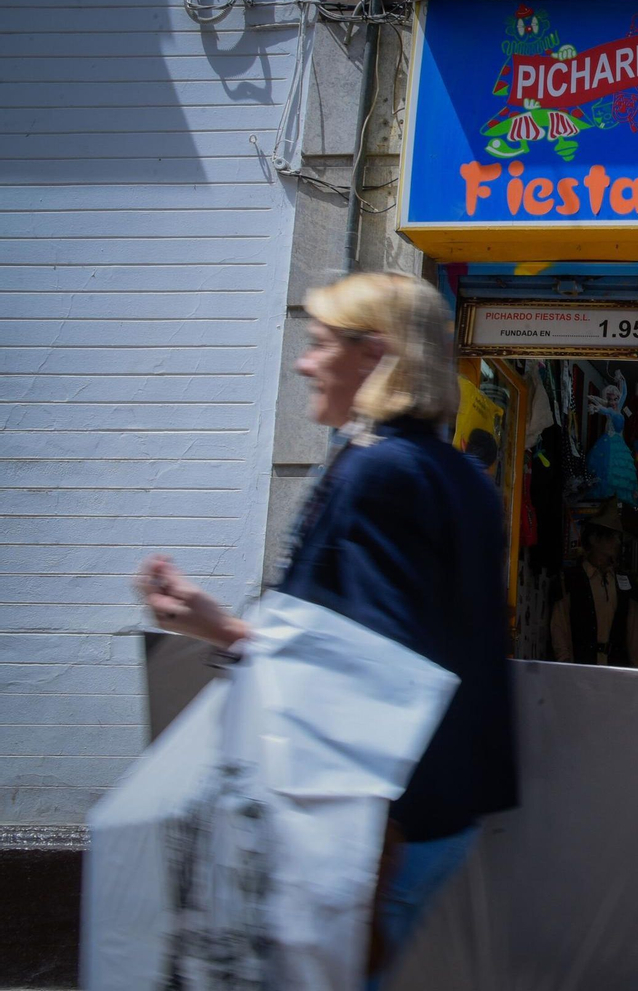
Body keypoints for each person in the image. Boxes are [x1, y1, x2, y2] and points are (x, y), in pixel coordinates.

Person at [135, 272, 518, 988]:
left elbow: (365, 662)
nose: (304, 361)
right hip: (438, 803)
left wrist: (221, 628)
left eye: (317, 344)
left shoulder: (377, 470)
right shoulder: (461, 474)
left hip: (376, 822)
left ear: (374, 355)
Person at [550, 499, 638, 667]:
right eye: (612, 536)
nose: (617, 542)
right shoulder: (569, 580)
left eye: (618, 537)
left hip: (617, 672)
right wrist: (564, 666)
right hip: (580, 671)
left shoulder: (625, 584)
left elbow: (634, 635)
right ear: (594, 539)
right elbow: (560, 627)